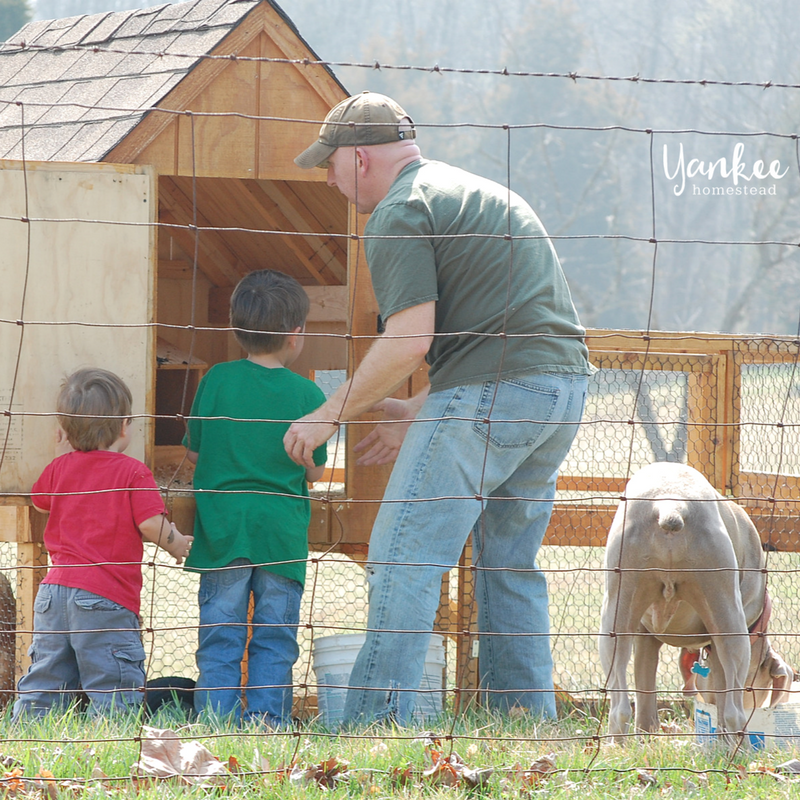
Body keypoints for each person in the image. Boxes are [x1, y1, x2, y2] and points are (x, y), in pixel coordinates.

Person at [286, 92, 594, 725]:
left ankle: (374, 735)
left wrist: (328, 414)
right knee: (508, 565)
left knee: (403, 557)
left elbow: (408, 339)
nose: (326, 176)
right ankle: (524, 730)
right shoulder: (476, 193)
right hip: (559, 395)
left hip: (493, 395)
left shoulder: (399, 211)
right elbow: (512, 333)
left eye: (330, 163)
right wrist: (427, 407)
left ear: (361, 158)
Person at [183, 269, 327, 726]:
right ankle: (267, 724)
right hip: (281, 535)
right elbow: (316, 469)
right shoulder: (308, 393)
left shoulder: (217, 381)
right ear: (295, 335)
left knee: (220, 633)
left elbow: (191, 451)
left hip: (223, 530)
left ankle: (215, 724)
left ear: (236, 327)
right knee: (274, 635)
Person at [15, 368, 193, 718]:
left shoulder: (60, 467)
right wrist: (175, 542)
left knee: (46, 678)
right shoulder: (132, 471)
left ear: (64, 431)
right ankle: (112, 738)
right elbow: (149, 522)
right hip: (104, 597)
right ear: (125, 426)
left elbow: (39, 501)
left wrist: (60, 454)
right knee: (113, 684)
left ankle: (28, 734)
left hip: (53, 595)